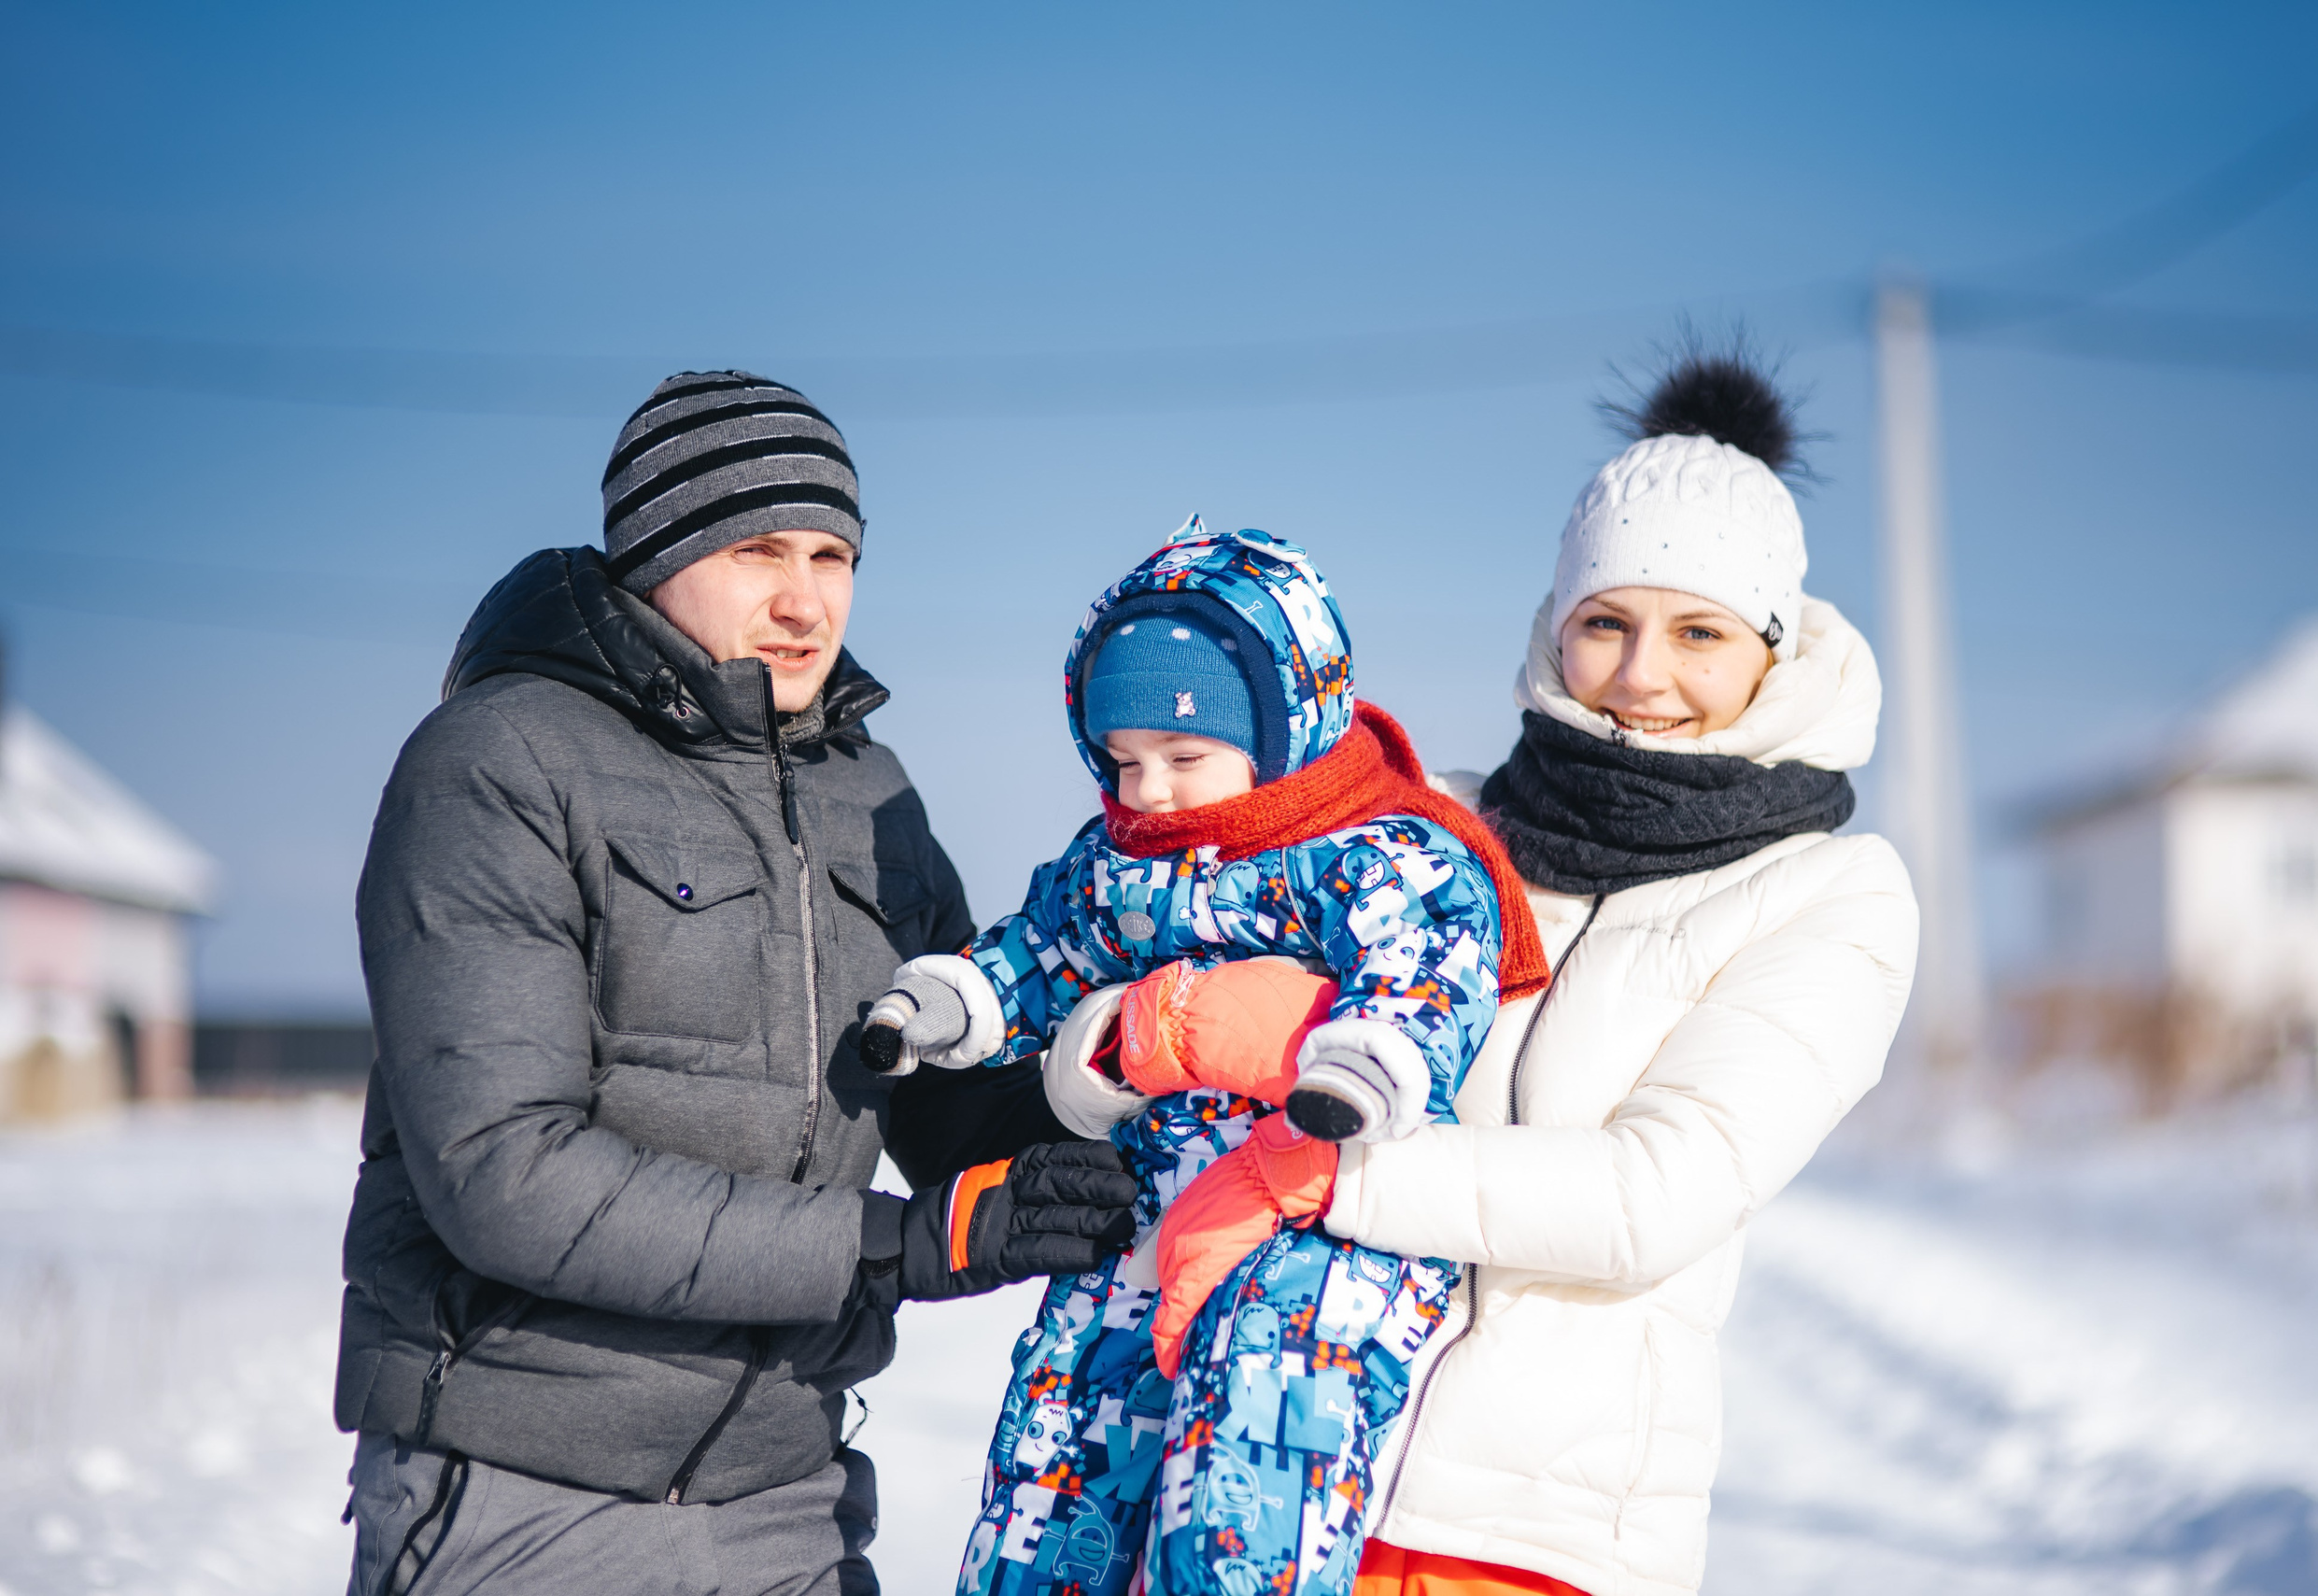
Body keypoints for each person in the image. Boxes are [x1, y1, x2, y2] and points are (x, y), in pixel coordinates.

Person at [1070, 351, 1920, 1595]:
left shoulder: (1831, 894)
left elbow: (1651, 1197)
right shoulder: (1431, 833)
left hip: (1536, 1542)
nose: (1642, 676)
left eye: (1699, 631)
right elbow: (1204, 1017)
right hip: (1286, 1483)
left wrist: (1318, 1171)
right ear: (1555, 628)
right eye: (1605, 624)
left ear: (1772, 649)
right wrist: (1108, 1048)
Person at [335, 370, 1138, 1596]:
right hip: (530, 1491)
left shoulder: (869, 793)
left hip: (788, 1490)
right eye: (761, 550)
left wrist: (1149, 1074)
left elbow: (958, 1112)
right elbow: (506, 1174)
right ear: (657, 550)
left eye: (833, 555)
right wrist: (894, 1247)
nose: (807, 601)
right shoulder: (501, 761)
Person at [861, 520, 1548, 1596]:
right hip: (1144, 1199)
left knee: (1258, 1433)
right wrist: (960, 998)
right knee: (1066, 1426)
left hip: (1324, 1215)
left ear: (1283, 729)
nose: (1148, 792)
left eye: (1183, 757)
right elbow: (1038, 948)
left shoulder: (1386, 848)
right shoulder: (1114, 862)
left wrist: (1363, 1060)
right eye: (1122, 760)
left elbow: (1423, 969)